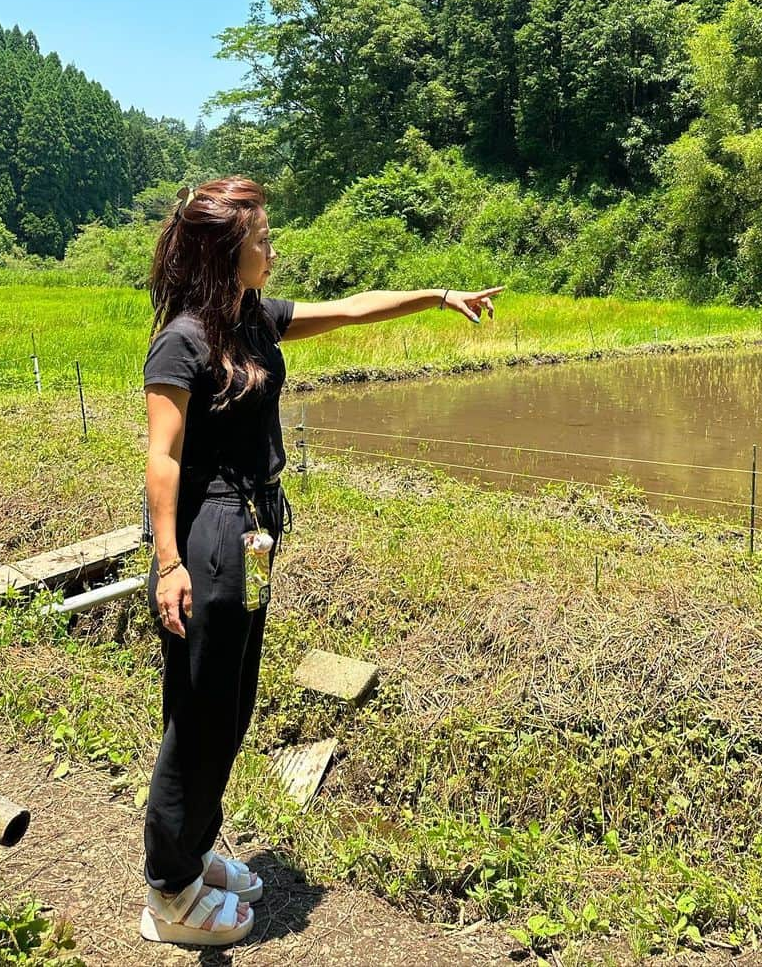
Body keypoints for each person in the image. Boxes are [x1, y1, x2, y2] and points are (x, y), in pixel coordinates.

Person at [139, 175, 501, 946]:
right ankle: (167, 888)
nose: (273, 248)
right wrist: (168, 561)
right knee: (199, 714)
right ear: (224, 252)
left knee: (232, 705)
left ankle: (193, 854)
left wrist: (439, 295)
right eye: (261, 238)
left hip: (257, 531)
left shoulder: (252, 318)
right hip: (209, 536)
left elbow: (353, 306)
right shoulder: (185, 338)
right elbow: (163, 456)